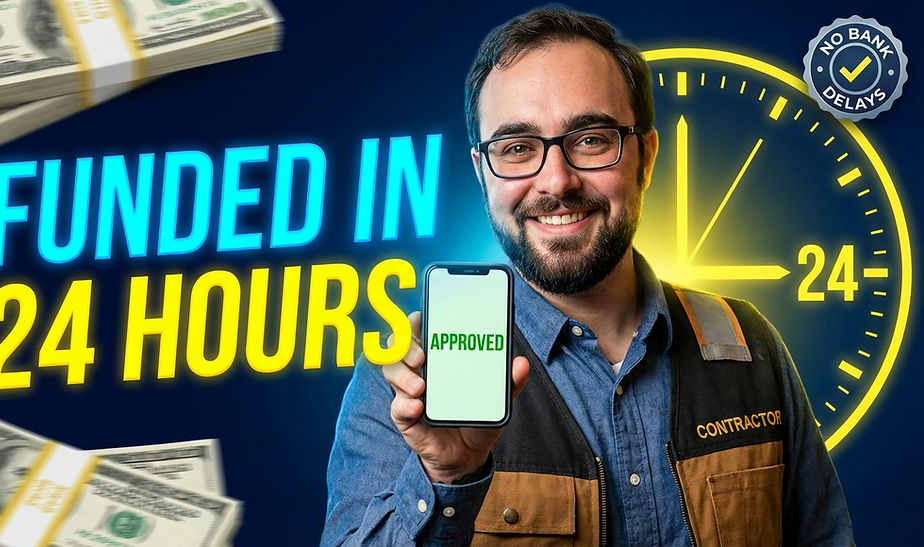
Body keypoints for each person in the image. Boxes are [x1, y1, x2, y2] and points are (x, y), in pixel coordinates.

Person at [323, 7, 854, 546]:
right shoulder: (412, 379)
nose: (556, 180)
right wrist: (445, 481)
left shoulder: (748, 343)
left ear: (644, 156)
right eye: (517, 148)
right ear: (484, 172)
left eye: (591, 139)